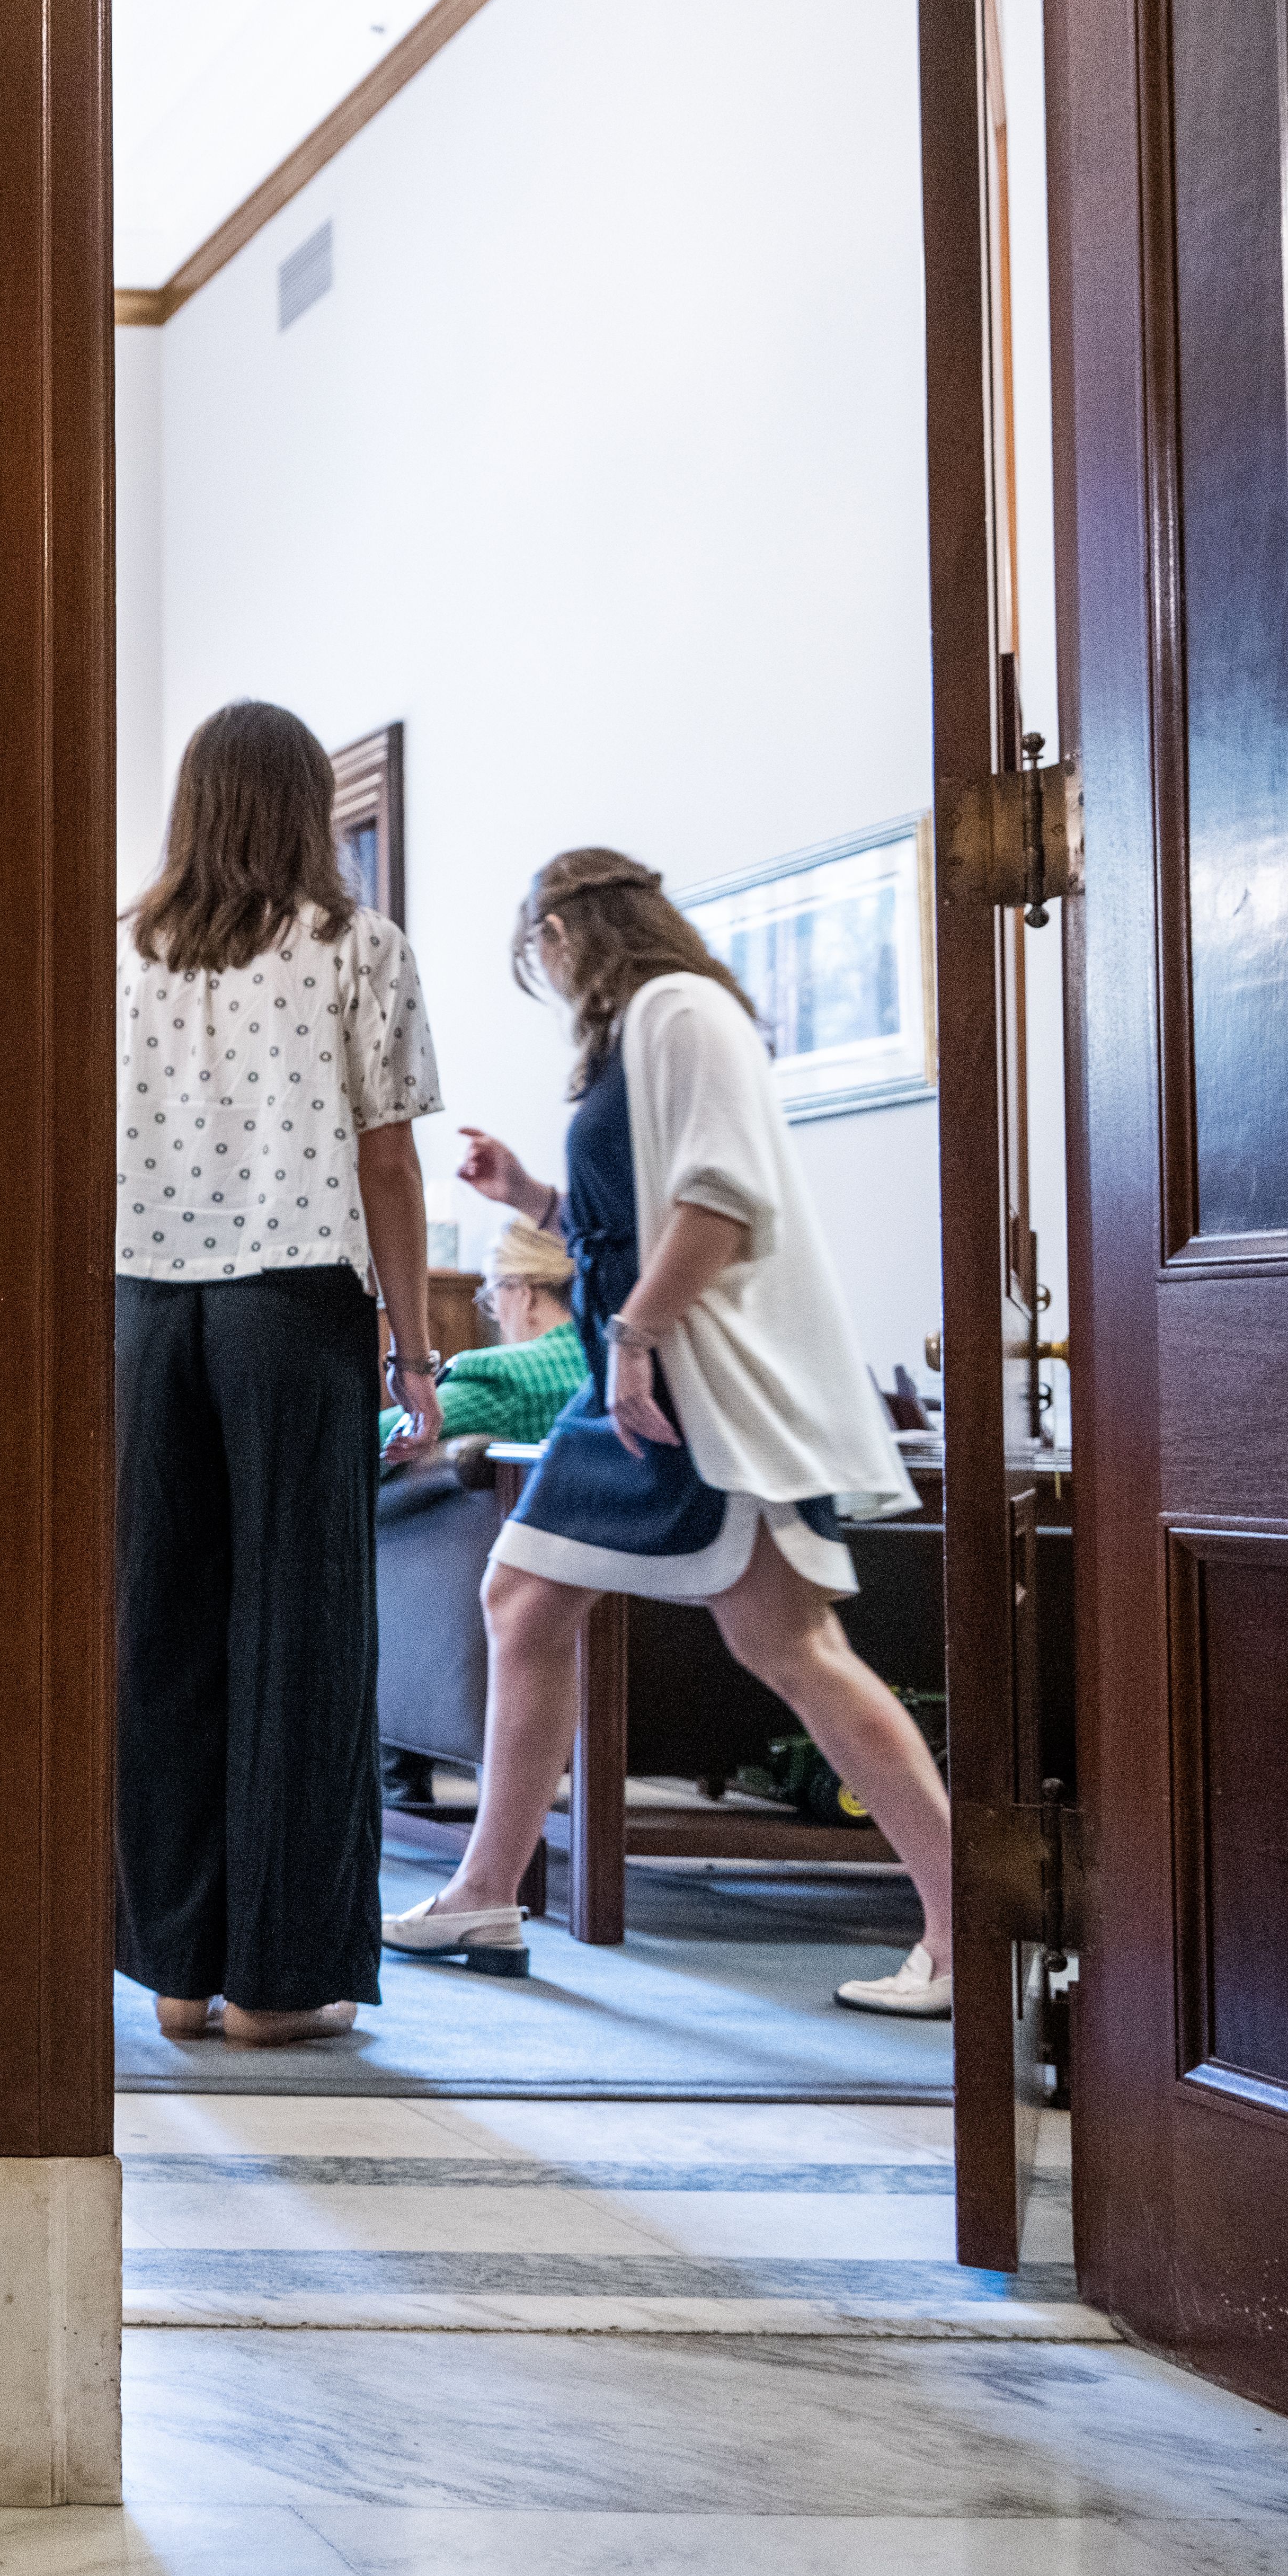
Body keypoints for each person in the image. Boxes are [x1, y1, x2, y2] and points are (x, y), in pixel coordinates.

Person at [380, 848, 959, 2015]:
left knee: (791, 1648)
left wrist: (638, 1338)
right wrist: (533, 1200)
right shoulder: (643, 1033)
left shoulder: (682, 1011)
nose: (543, 970)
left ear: (568, 931)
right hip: (635, 1382)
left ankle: (963, 1931)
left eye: (537, 949)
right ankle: (486, 1891)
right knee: (524, 1597)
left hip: (695, 1387)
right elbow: (630, 1221)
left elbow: (719, 1206)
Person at [117, 701, 447, 2048]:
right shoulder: (356, 949)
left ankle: (176, 1975)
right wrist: (416, 1353)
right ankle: (279, 1979)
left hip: (140, 1310)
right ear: (307, 807)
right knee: (298, 1637)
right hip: (292, 1307)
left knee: (163, 1633)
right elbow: (385, 1162)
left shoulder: (122, 954)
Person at [414, 1215, 591, 1450]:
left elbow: (374, 1438)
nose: (496, 1315)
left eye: (492, 1296)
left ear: (524, 1296)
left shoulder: (507, 1377)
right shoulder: (609, 1361)